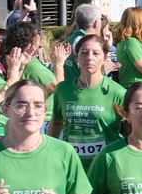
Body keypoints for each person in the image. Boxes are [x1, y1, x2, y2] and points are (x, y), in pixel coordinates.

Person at [51, 35, 127, 167]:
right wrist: (50, 152)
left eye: (96, 53)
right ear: (76, 57)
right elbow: (57, 122)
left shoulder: (118, 92)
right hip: (73, 164)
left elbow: (130, 130)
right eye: (84, 53)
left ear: (105, 57)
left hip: (105, 164)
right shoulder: (63, 89)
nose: (89, 58)